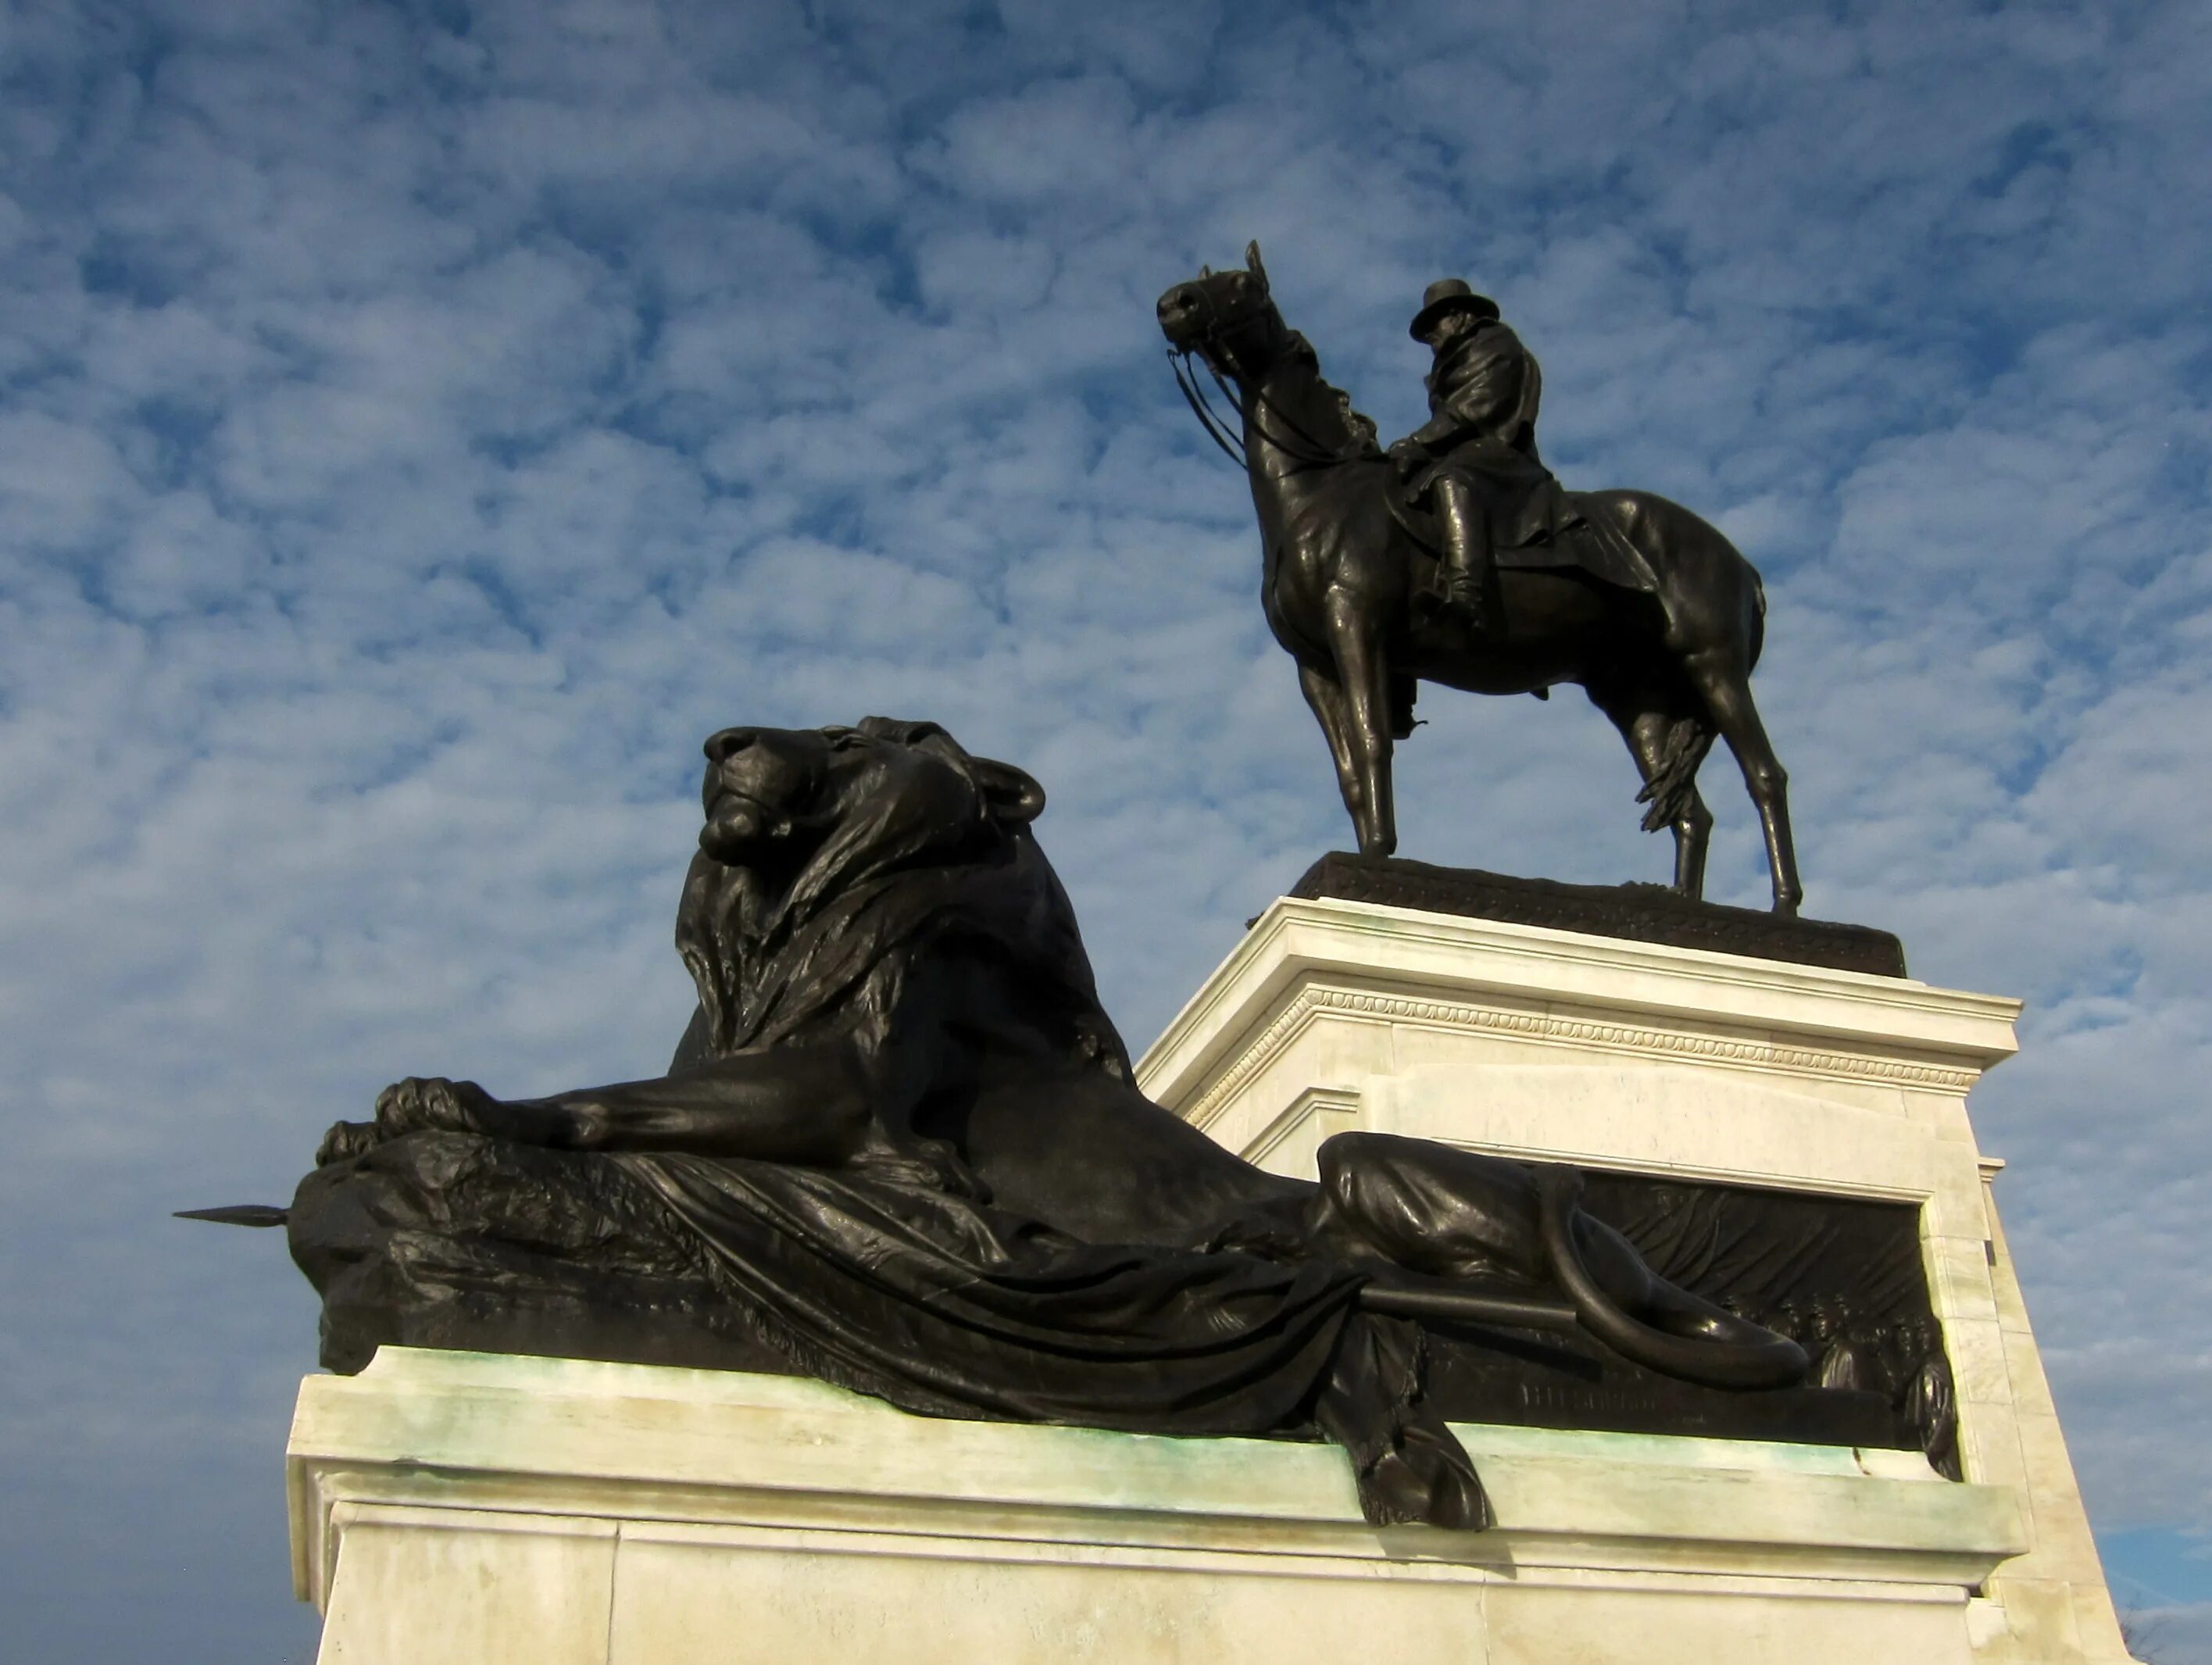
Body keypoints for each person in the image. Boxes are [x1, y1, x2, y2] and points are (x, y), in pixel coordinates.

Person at [1388, 279, 1585, 632]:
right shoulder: (1448, 365)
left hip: (1501, 451)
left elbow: (1476, 407)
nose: (1431, 335)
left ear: (1459, 317)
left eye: (1435, 324)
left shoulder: (1494, 345)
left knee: (1452, 479)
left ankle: (1466, 595)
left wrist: (1417, 443)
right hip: (1469, 451)